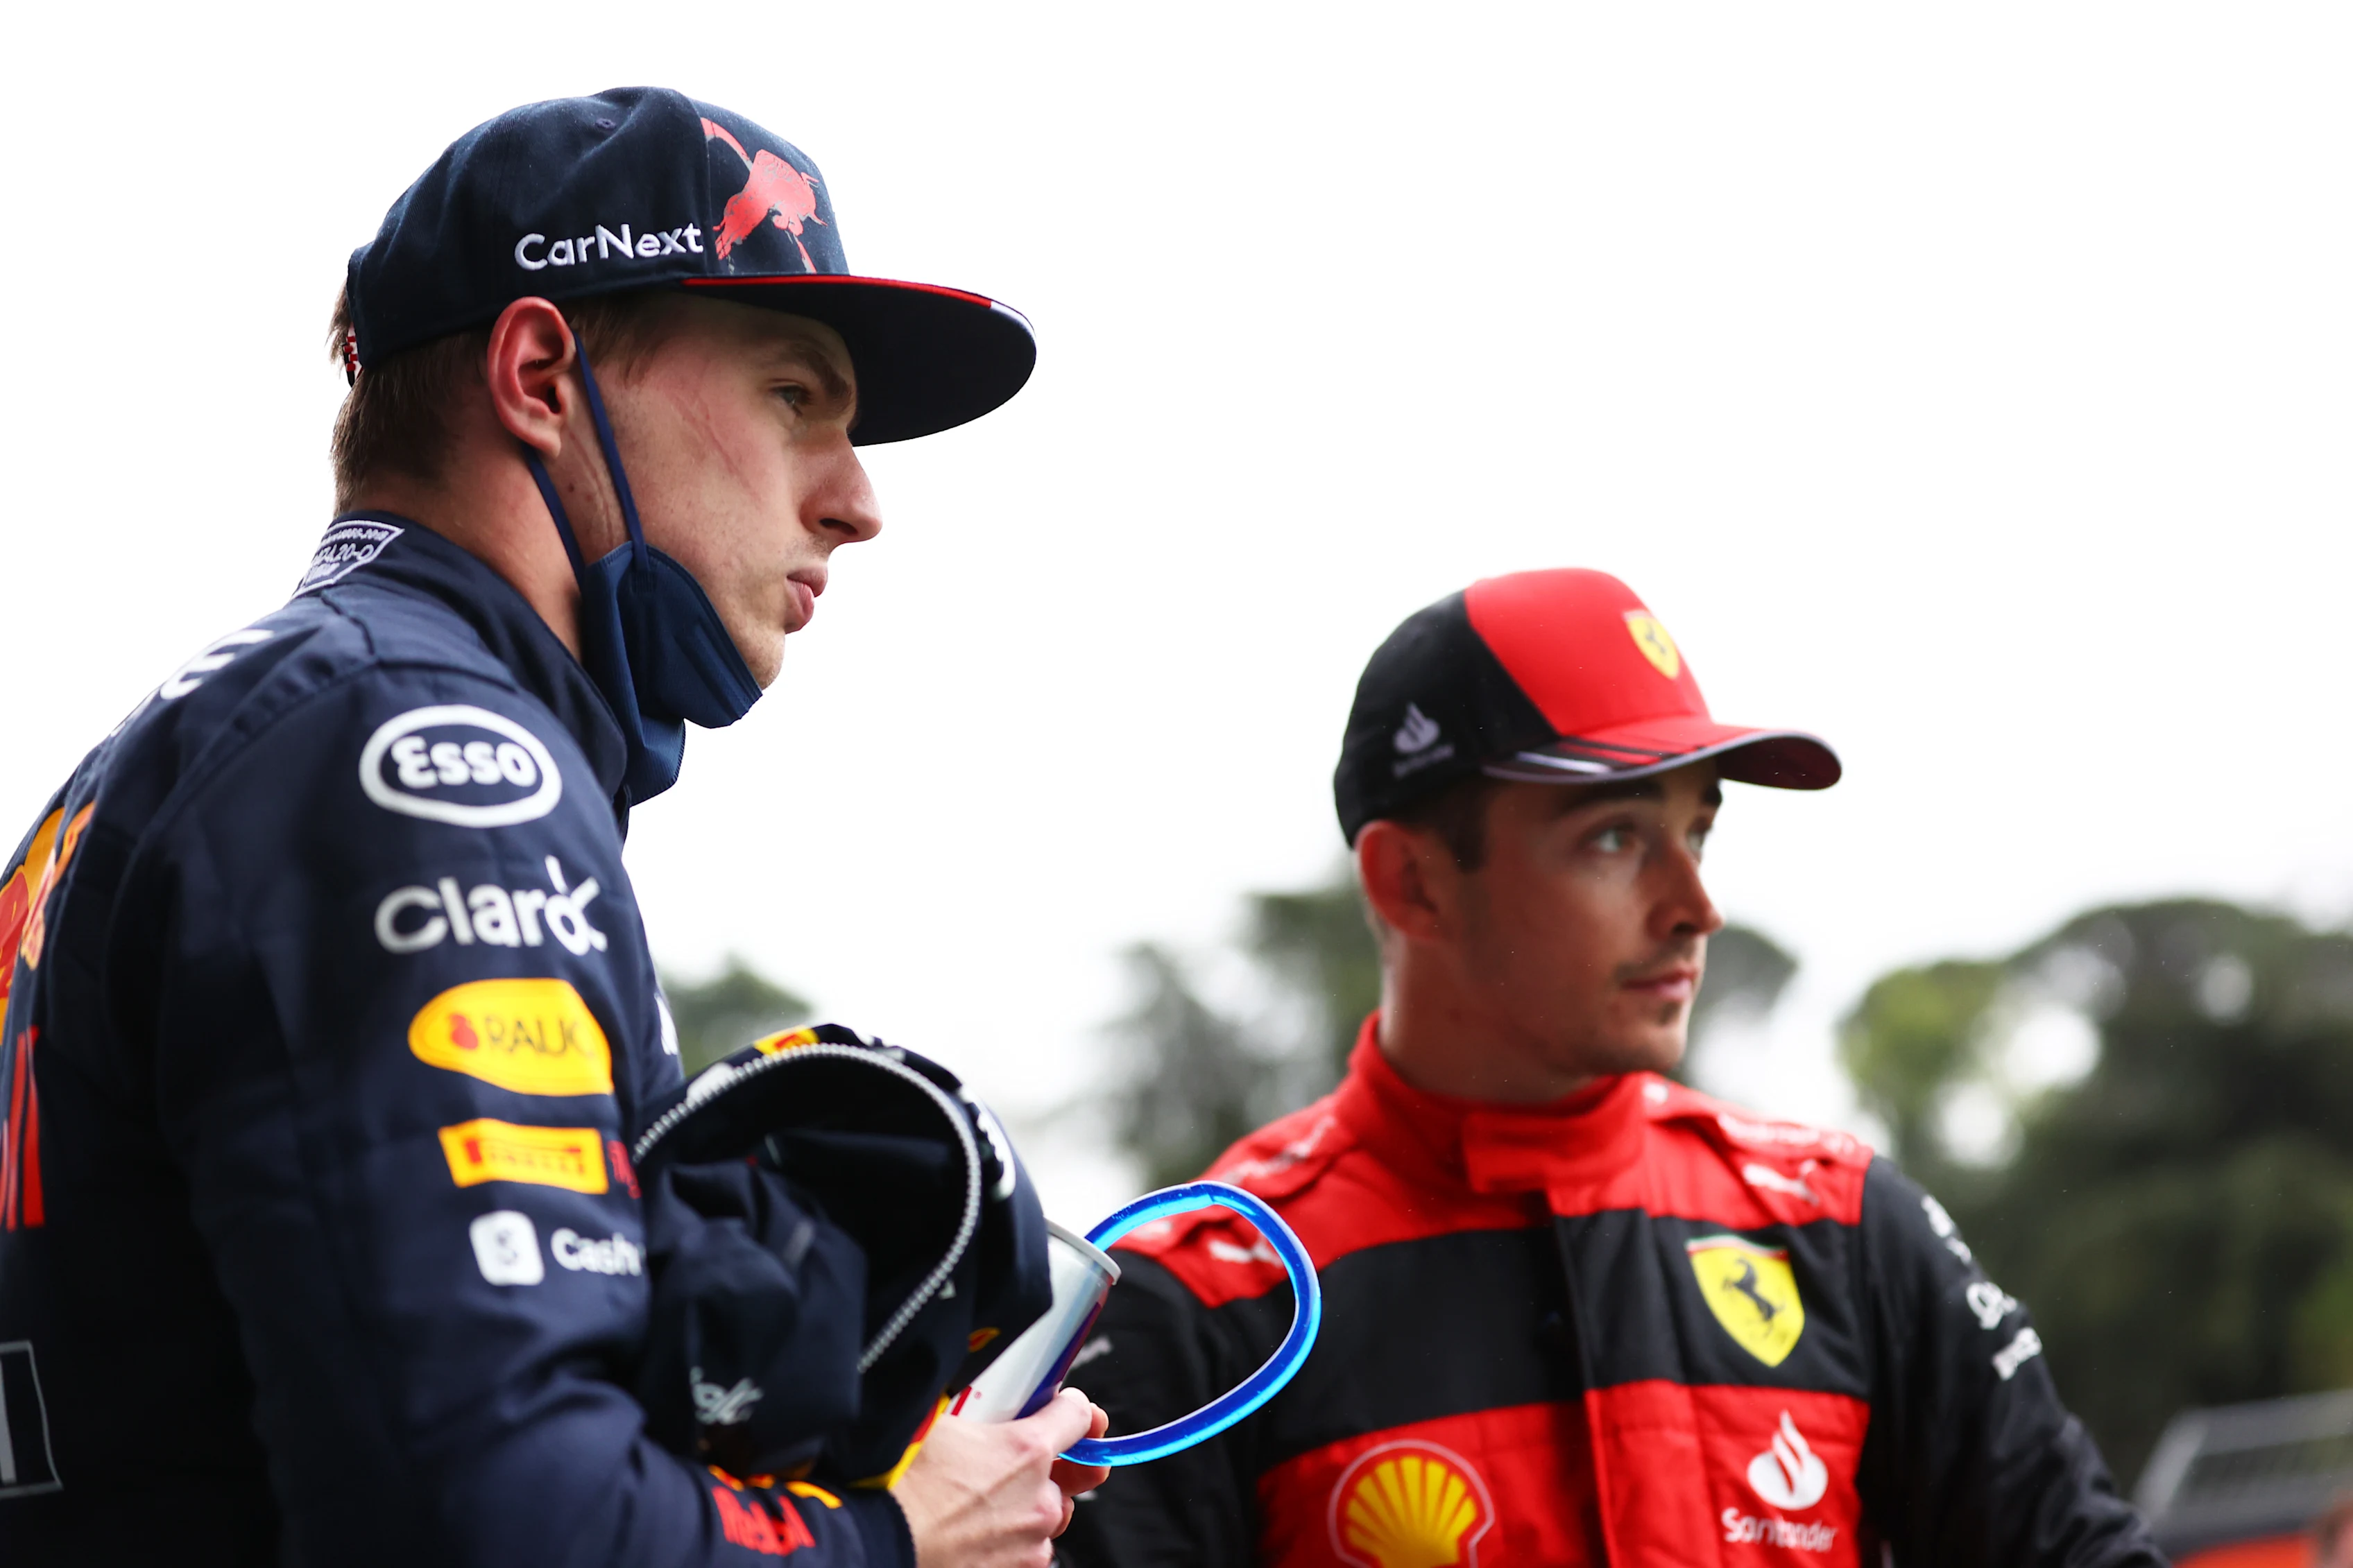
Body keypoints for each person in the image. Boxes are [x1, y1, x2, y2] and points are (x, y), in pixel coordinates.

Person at [0, 88, 1104, 1567]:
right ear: (539, 378)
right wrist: (892, 1539)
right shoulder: (417, 755)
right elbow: (493, 1518)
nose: (857, 502)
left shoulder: (214, 736)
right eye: (797, 398)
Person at [1058, 568, 2168, 1566]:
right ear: (1413, 885)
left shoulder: (1844, 1226)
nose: (1696, 906)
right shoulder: (1208, 1296)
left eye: (1699, 834)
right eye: (1614, 838)